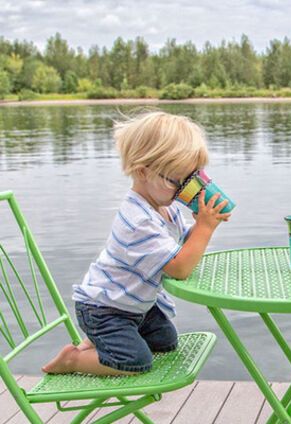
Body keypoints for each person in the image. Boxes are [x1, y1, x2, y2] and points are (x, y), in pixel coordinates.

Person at [42, 111, 231, 375]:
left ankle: (97, 342)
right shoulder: (137, 221)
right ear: (143, 172)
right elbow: (179, 268)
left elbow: (178, 248)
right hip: (103, 309)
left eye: (192, 180)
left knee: (165, 343)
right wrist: (204, 228)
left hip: (135, 307)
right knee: (136, 362)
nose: (184, 191)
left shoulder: (166, 208)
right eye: (178, 182)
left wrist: (200, 224)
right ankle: (73, 360)